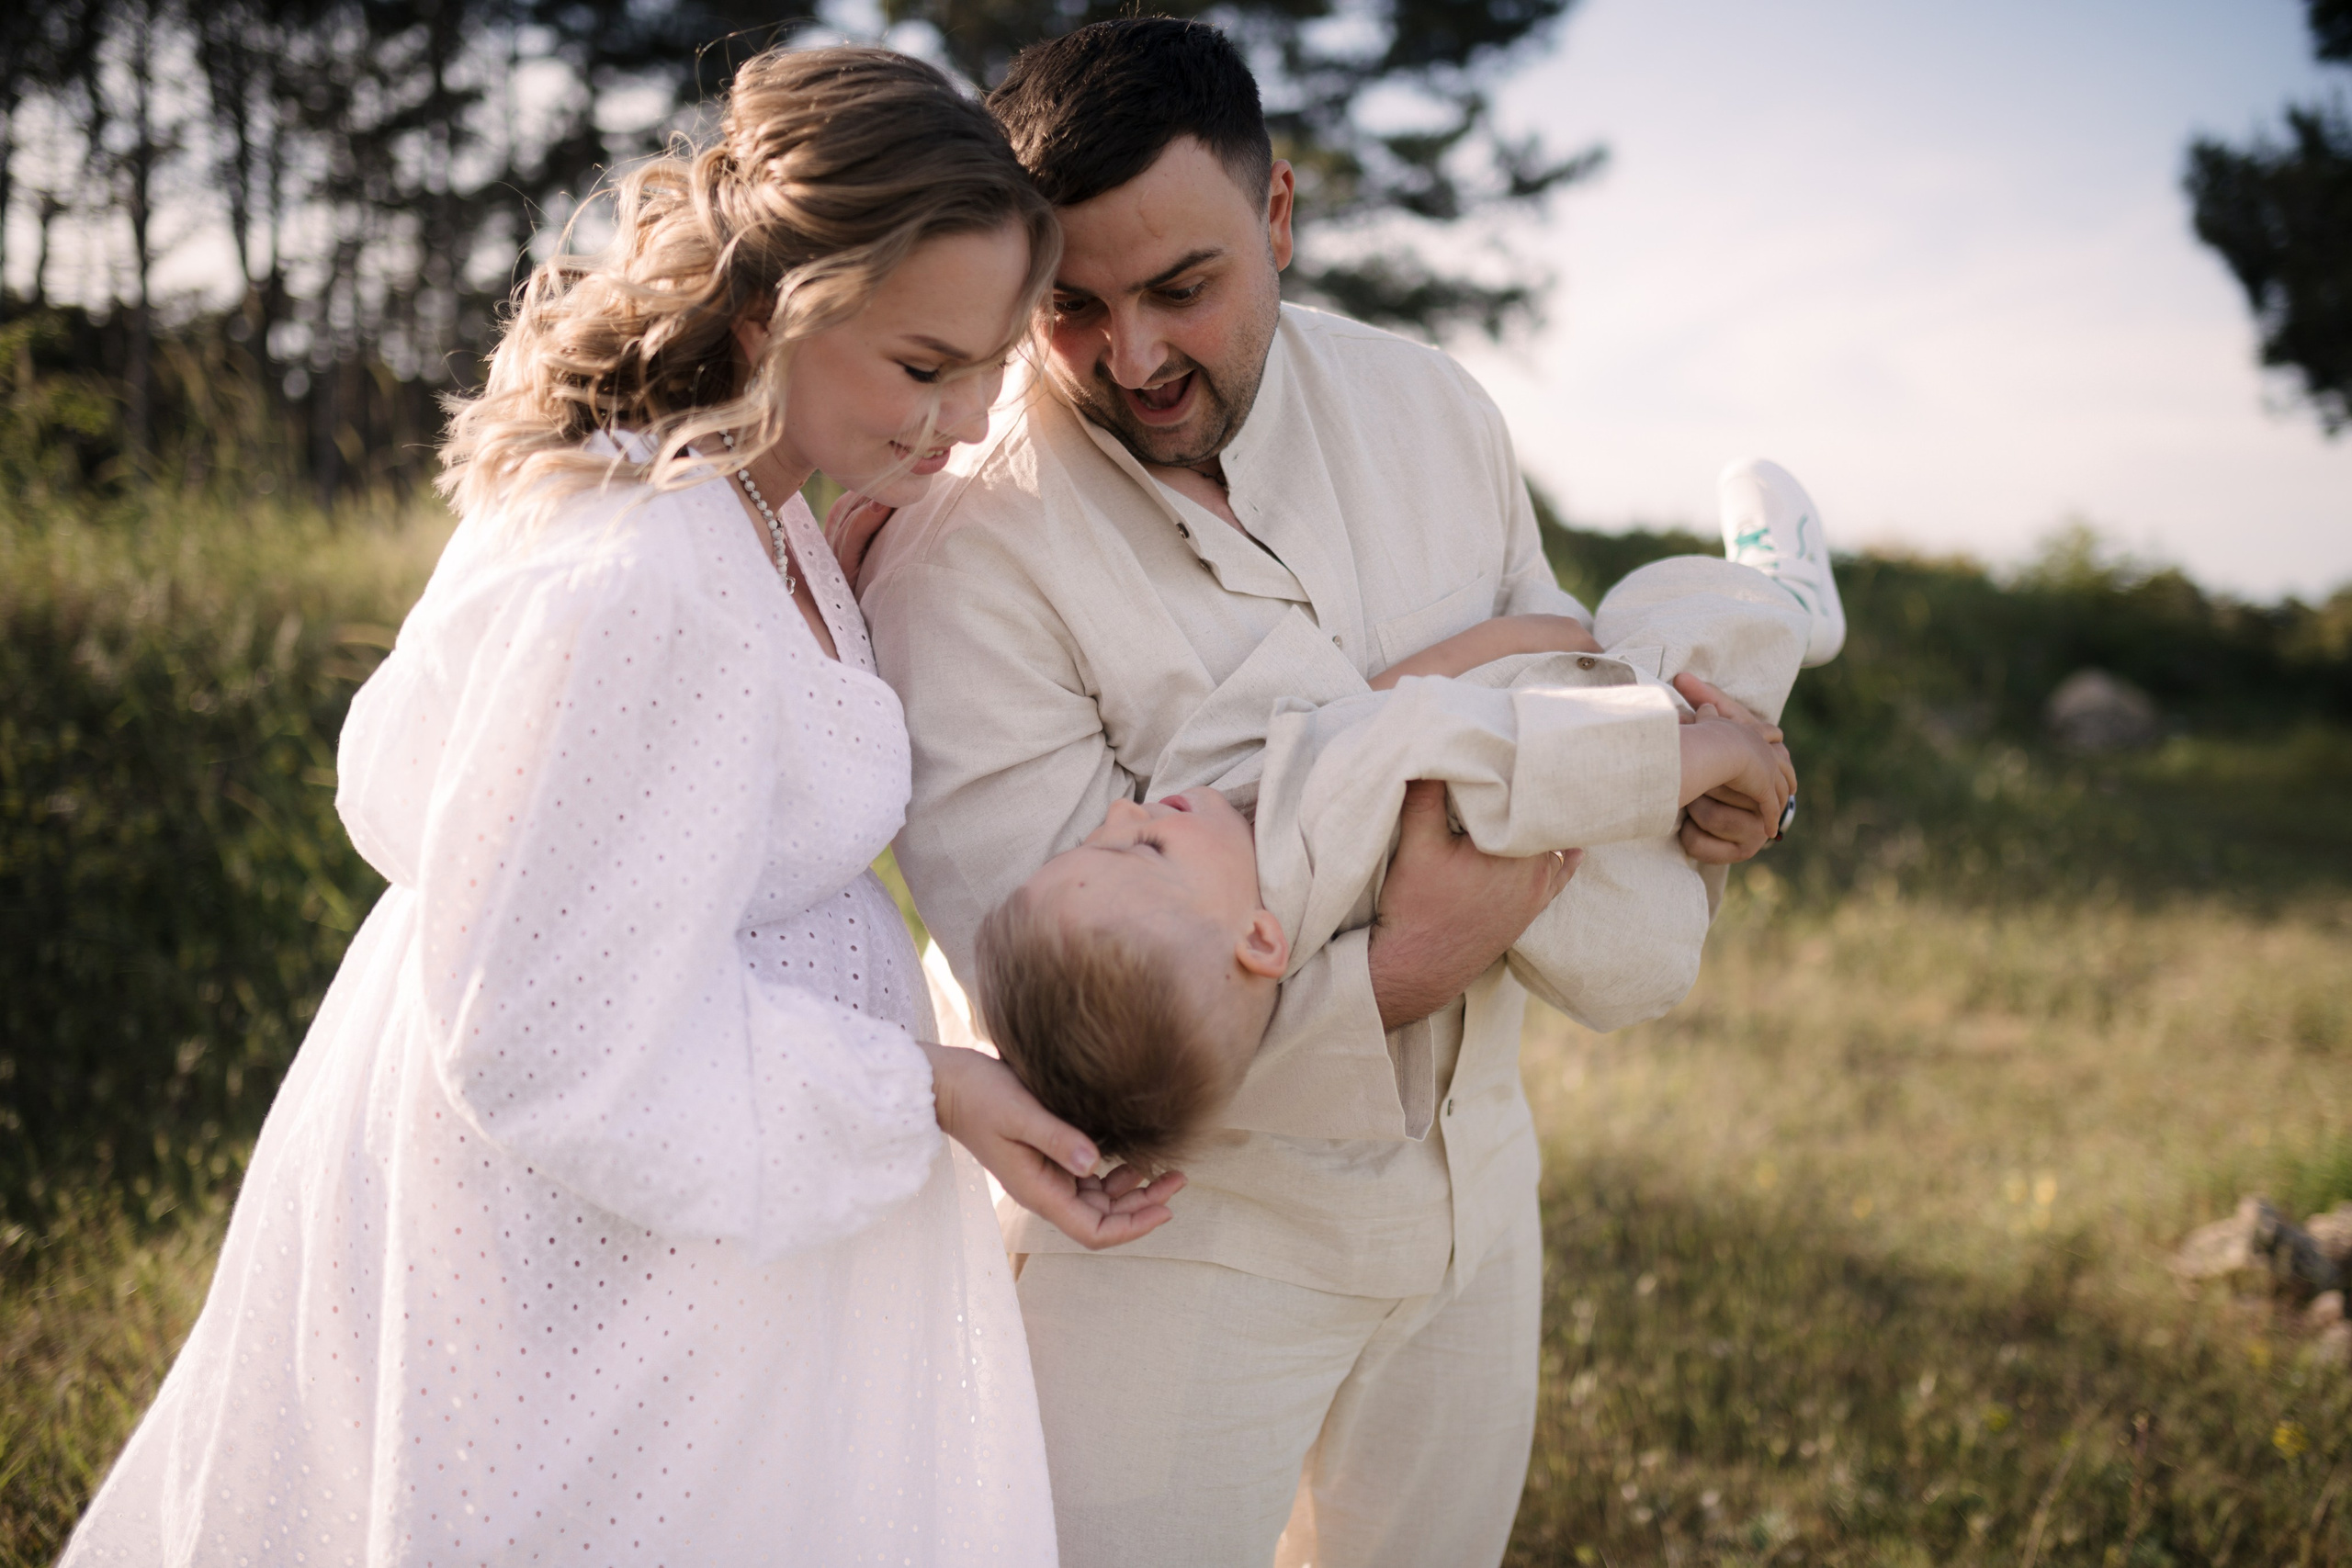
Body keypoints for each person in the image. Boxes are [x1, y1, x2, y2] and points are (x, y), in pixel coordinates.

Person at [62, 46, 1181, 1568]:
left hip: (694, 1221)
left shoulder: (747, 503)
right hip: (587, 1246)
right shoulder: (641, 575)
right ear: (764, 312)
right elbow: (545, 1025)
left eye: (988, 363)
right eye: (925, 367)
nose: (968, 420)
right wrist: (918, 1085)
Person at [854, 18, 1797, 1567]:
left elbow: (1577, 686)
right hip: (1177, 1249)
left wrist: (1709, 792)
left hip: (1477, 1199)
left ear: (1279, 215)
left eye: (1184, 289)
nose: (1136, 357)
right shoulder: (962, 560)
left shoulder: (1433, 409)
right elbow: (1068, 1013)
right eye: (1073, 308)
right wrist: (1411, 955)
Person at [970, 463, 1842, 1168]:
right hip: (1595, 811)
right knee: (1663, 637)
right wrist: (1703, 752)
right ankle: (1785, 603)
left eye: (1105, 833)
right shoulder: (1324, 832)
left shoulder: (1239, 840)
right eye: (1150, 848)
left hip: (1601, 854)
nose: (1130, 815)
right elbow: (1489, 750)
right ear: (1261, 943)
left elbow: (1358, 707)